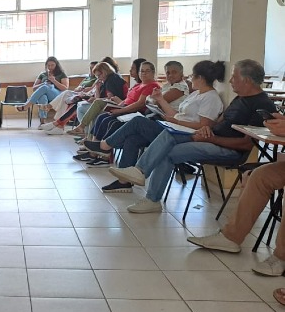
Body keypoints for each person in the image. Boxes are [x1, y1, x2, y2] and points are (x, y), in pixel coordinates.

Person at [110, 59, 277, 213]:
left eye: (234, 77)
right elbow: (220, 122)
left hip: (229, 150)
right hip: (211, 139)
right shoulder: (240, 98)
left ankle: (148, 190)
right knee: (167, 138)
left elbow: (246, 144)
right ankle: (143, 179)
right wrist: (207, 130)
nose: (230, 81)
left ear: (247, 80)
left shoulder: (262, 104)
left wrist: (211, 138)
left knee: (167, 148)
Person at [85, 60, 224, 192]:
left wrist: (176, 122)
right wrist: (160, 100)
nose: (190, 78)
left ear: (200, 78)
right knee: (132, 139)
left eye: (193, 75)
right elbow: (178, 115)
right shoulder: (196, 94)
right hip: (174, 127)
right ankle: (124, 182)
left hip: (182, 134)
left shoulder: (211, 97)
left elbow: (203, 126)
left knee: (138, 121)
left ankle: (105, 146)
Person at [42, 61, 126, 135]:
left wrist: (94, 97)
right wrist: (97, 88)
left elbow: (111, 98)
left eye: (99, 75)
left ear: (104, 72)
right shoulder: (105, 80)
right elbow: (99, 98)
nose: (98, 78)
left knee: (79, 104)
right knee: (76, 102)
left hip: (114, 105)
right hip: (99, 101)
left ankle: (62, 124)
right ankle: (60, 124)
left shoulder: (111, 80)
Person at [17, 56, 68, 124]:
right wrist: (43, 84)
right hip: (45, 93)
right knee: (42, 97)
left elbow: (65, 88)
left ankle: (27, 105)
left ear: (56, 65)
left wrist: (54, 81)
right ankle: (42, 122)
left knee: (45, 87)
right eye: (48, 65)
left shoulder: (61, 74)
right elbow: (34, 88)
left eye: (52, 65)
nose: (50, 67)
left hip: (57, 95)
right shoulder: (42, 74)